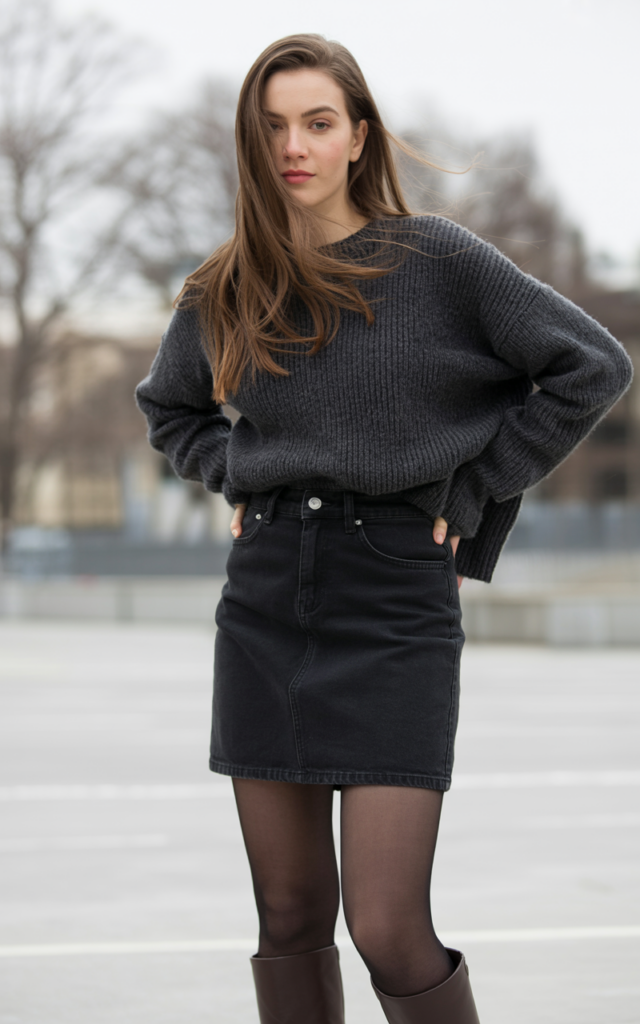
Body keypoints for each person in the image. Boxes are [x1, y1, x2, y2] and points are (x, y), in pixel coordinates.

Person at [135, 33, 633, 1024]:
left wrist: (472, 491)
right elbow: (171, 409)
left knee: (386, 925)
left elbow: (591, 365)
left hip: (395, 597)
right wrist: (232, 470)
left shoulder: (437, 259)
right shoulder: (227, 283)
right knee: (286, 911)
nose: (295, 145)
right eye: (272, 125)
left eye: (318, 122)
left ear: (359, 137)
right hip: (268, 595)